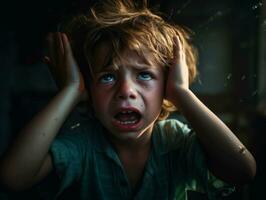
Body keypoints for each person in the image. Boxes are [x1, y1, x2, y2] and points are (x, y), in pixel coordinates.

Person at [0, 0, 256, 199]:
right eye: (108, 77)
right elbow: (13, 178)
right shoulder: (83, 144)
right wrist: (70, 91)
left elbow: (244, 171)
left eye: (144, 74)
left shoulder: (175, 140)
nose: (125, 90)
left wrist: (182, 93)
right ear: (89, 89)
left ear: (166, 87)